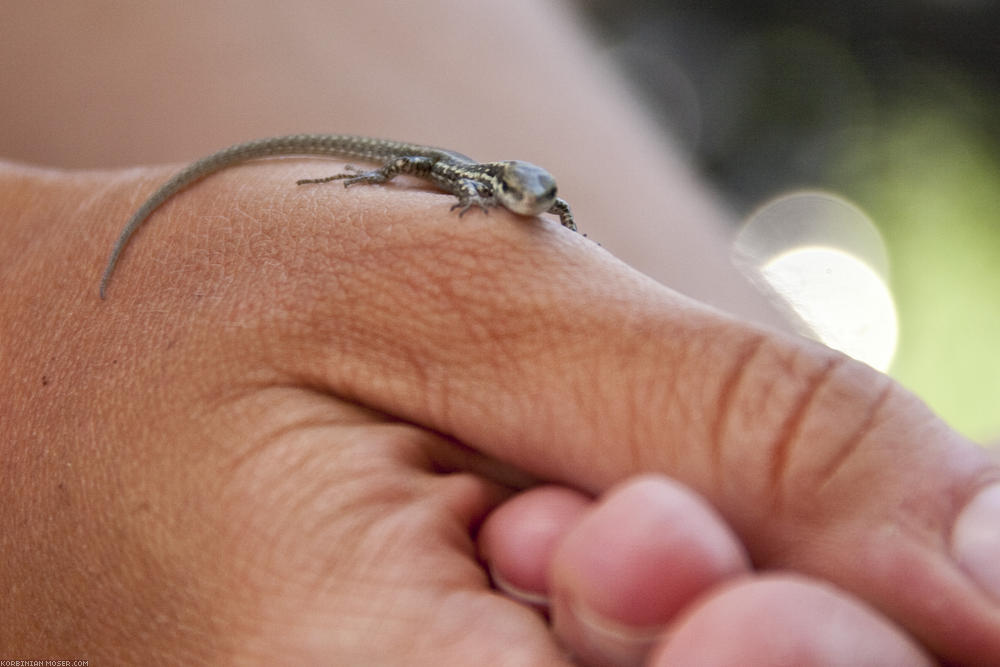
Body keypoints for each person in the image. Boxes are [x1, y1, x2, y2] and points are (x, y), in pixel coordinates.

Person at [1, 3, 997, 664]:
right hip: (426, 155)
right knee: (377, 174)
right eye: (510, 196)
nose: (516, 204)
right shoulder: (475, 188)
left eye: (526, 198)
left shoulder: (530, 200)